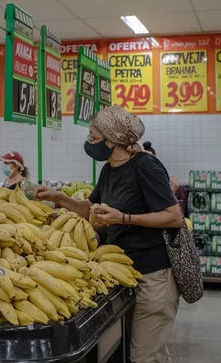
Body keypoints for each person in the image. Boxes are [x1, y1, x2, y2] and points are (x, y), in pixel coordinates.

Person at [35, 106, 182, 363]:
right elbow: (89, 209)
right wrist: (58, 198)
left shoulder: (145, 166)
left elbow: (173, 216)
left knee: (144, 356)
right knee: (142, 350)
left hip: (153, 275)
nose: (89, 142)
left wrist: (123, 218)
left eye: (93, 136)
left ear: (112, 140)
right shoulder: (109, 169)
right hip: (123, 272)